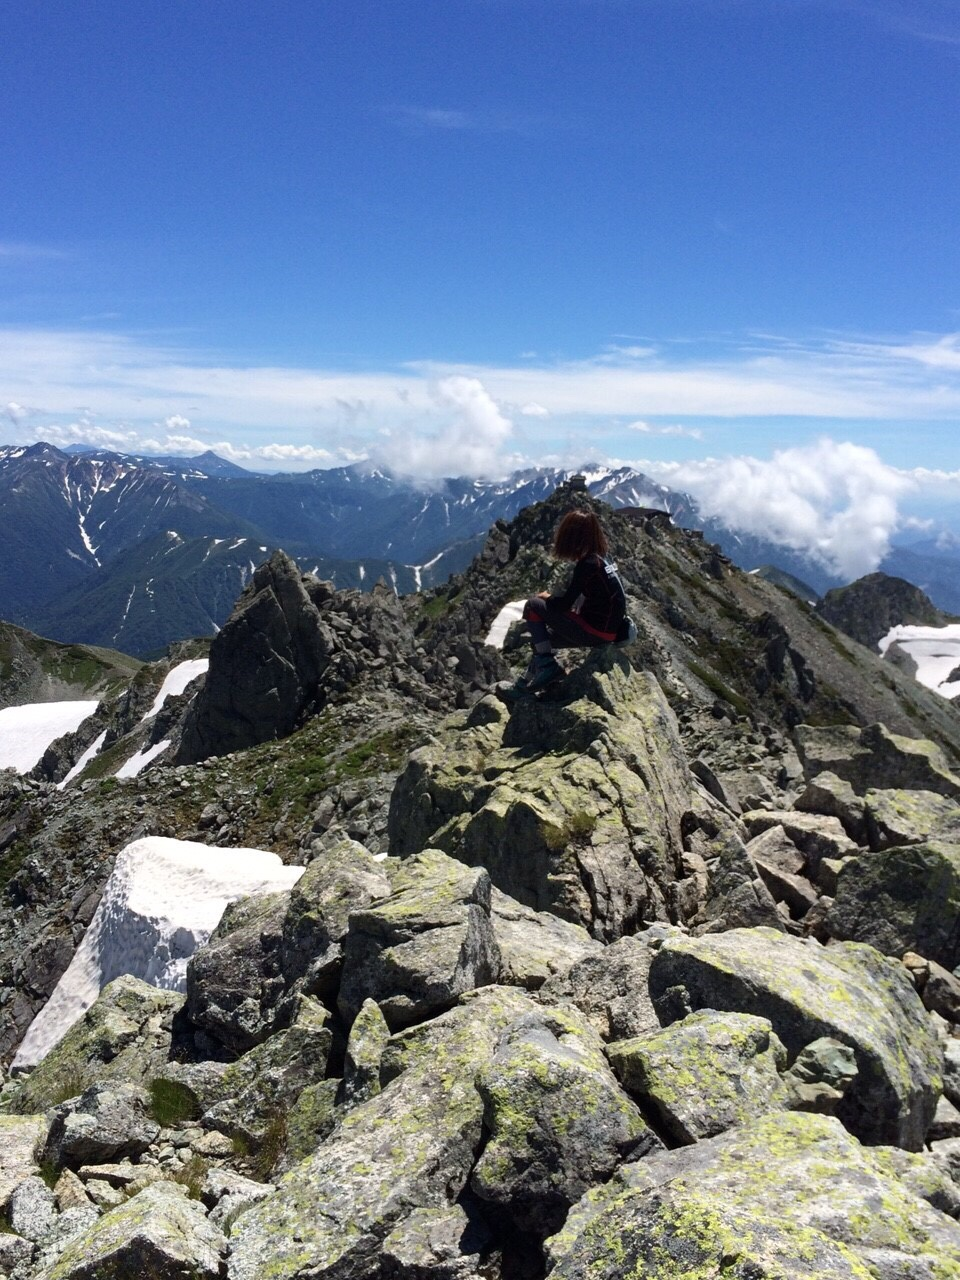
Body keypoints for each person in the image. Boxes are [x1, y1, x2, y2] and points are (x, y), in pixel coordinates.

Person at [507, 509, 629, 696]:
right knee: (543, 642)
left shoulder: (587, 564)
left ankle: (547, 668)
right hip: (608, 632)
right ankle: (527, 684)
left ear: (572, 537)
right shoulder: (604, 559)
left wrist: (546, 598)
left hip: (594, 630)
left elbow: (563, 604)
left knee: (533, 604)